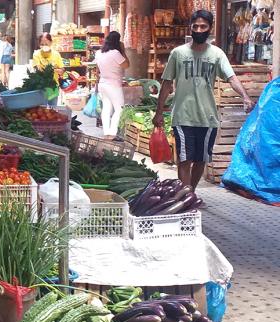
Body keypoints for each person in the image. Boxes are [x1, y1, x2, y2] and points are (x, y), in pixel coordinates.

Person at [153, 9, 255, 196]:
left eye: (203, 26)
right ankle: (187, 196)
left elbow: (231, 77)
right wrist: (159, 112)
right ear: (190, 28)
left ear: (210, 29)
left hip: (207, 117)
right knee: (184, 160)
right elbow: (166, 83)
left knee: (200, 160)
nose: (199, 30)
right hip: (182, 115)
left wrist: (245, 96)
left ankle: (189, 193)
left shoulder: (216, 54)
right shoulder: (178, 54)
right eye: (196, 26)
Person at [94, 31, 130, 141]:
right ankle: (113, 133)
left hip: (103, 84)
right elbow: (127, 65)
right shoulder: (115, 53)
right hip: (113, 85)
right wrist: (123, 50)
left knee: (106, 109)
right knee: (120, 109)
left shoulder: (99, 53)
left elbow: (97, 70)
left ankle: (106, 134)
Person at [32, 33, 65, 106]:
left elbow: (62, 71)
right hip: (41, 86)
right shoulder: (36, 54)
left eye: (46, 43)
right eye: (42, 44)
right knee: (42, 109)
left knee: (53, 109)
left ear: (51, 43)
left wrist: (52, 70)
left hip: (54, 86)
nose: (44, 46)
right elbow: (38, 68)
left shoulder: (56, 54)